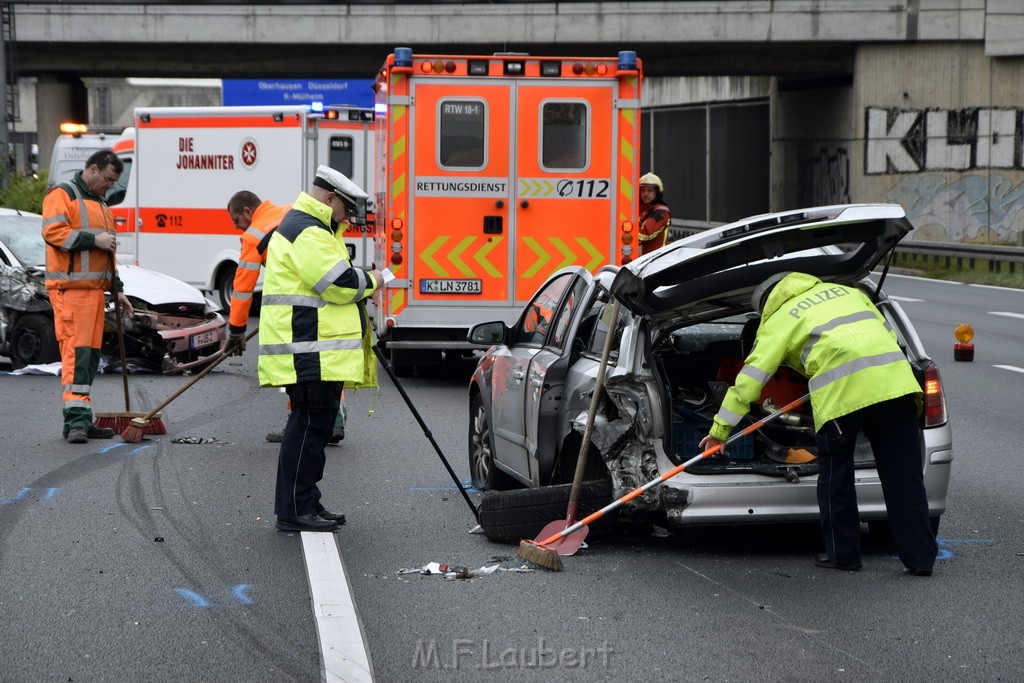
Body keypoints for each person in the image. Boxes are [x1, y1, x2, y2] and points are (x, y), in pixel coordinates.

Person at [699, 271, 938, 576]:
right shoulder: (850, 293)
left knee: (836, 476)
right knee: (904, 477)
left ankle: (844, 554)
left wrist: (720, 430)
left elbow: (750, 381)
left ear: (767, 304)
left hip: (842, 396)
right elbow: (885, 338)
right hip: (896, 386)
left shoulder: (781, 319)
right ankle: (920, 559)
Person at [258, 166, 387, 533]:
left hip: (316, 351)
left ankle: (307, 502)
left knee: (314, 429)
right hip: (308, 351)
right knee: (309, 428)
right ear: (329, 198)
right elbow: (338, 283)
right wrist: (375, 279)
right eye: (345, 207)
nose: (348, 216)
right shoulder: (306, 230)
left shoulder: (314, 229)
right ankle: (294, 509)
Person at [223, 191, 347, 445]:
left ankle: (297, 426)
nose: (235, 226)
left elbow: (243, 288)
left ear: (248, 211)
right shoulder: (291, 211)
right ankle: (334, 422)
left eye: (236, 220)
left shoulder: (254, 234)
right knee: (328, 363)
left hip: (299, 307)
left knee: (296, 366)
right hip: (329, 290)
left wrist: (236, 330)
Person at [41, 149, 134, 443]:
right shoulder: (63, 194)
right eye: (108, 179)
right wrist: (94, 239)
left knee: (90, 358)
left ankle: (81, 417)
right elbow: (53, 232)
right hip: (71, 293)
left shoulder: (101, 205)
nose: (111, 185)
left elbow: (108, 255)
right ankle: (76, 421)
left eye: (114, 182)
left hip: (93, 294)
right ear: (92, 170)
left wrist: (117, 290)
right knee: (76, 356)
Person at [637, 172, 671, 256]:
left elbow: (645, 234)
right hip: (643, 260)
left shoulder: (661, 212)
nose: (645, 194)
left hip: (656, 260)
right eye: (643, 190)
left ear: (657, 193)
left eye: (650, 190)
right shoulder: (641, 209)